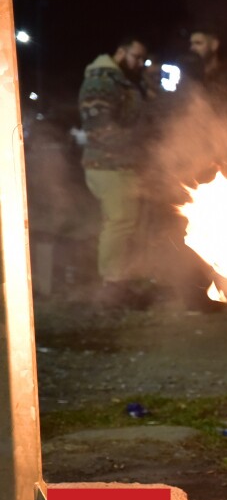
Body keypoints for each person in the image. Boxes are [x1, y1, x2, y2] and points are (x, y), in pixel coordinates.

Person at [78, 36, 151, 308]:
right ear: (120, 51)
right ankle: (111, 288)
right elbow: (99, 127)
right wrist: (136, 145)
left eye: (143, 59)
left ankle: (121, 283)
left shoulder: (121, 80)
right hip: (108, 164)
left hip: (122, 163)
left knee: (126, 223)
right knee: (119, 223)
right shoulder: (101, 80)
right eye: (136, 57)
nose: (140, 63)